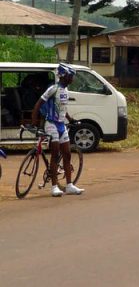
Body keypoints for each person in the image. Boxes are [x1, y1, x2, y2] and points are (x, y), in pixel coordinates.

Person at [31, 63, 84, 197]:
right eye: (70, 76)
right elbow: (38, 104)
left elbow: (63, 109)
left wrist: (70, 119)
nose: (72, 79)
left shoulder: (65, 91)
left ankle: (69, 185)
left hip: (61, 125)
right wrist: (34, 122)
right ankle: (54, 187)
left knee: (67, 155)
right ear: (64, 76)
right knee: (55, 155)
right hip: (51, 124)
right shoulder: (52, 89)